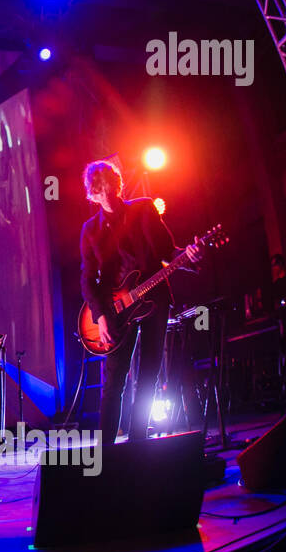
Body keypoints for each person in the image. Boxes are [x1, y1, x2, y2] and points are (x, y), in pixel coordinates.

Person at [79, 161, 201, 444]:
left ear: (117, 184)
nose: (106, 196)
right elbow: (87, 278)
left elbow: (168, 252)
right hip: (115, 310)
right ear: (92, 196)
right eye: (99, 192)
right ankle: (106, 449)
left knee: (149, 374)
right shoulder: (90, 230)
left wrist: (190, 256)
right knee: (114, 381)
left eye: (109, 187)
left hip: (154, 300)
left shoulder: (144, 209)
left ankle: (137, 442)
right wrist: (100, 315)